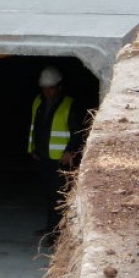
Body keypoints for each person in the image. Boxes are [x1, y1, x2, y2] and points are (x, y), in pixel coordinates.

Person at [27, 66, 92, 247]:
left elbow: (78, 131)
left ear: (60, 86)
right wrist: (32, 147)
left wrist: (71, 151)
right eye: (45, 88)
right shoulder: (38, 102)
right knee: (48, 194)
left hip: (61, 159)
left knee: (59, 196)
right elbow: (35, 126)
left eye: (51, 88)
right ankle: (50, 227)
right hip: (44, 157)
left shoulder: (70, 104)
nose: (48, 92)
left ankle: (57, 234)